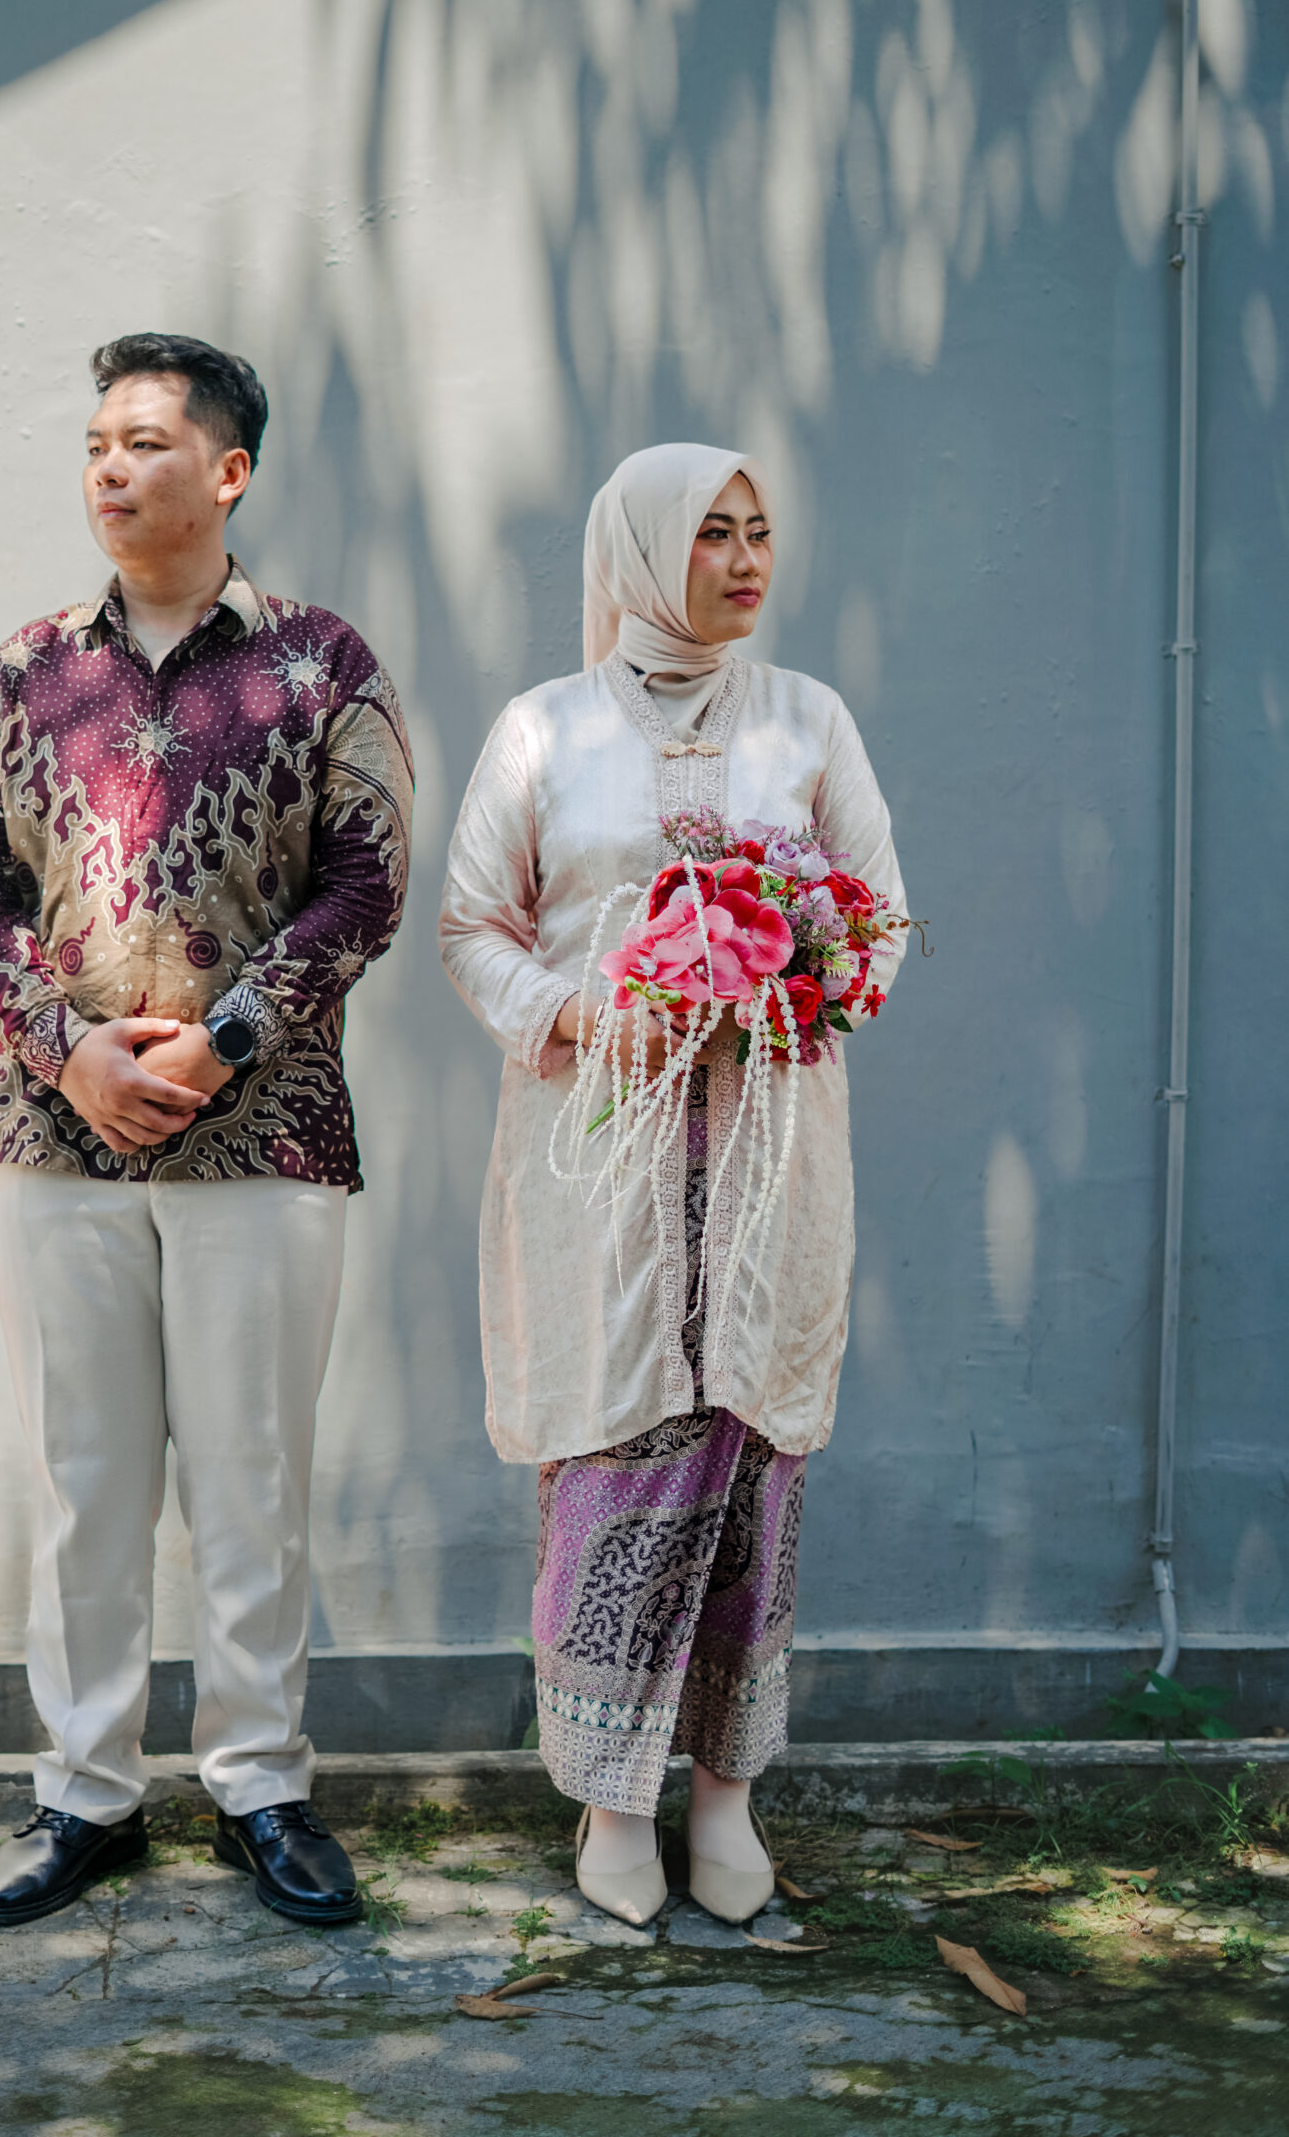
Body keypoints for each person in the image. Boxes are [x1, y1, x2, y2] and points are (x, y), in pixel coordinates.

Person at [0, 332, 413, 1929]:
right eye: (95, 443)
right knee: (83, 1482)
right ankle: (84, 1798)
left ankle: (261, 1787)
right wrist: (67, 1054)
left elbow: (367, 883)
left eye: (143, 441)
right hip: (52, 1137)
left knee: (251, 1476)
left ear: (229, 471)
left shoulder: (321, 665)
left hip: (262, 1140)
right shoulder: (27, 671)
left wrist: (224, 1042)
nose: (109, 467)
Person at [439, 443, 904, 1928]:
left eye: (760, 530)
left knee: (752, 1460)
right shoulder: (544, 729)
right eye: (714, 532)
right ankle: (609, 1801)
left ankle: (725, 1796)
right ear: (644, 551)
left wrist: (802, 981)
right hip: (601, 1168)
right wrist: (583, 1016)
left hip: (769, 1155)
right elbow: (470, 926)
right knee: (619, 1451)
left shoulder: (808, 720)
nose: (748, 558)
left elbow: (882, 920)